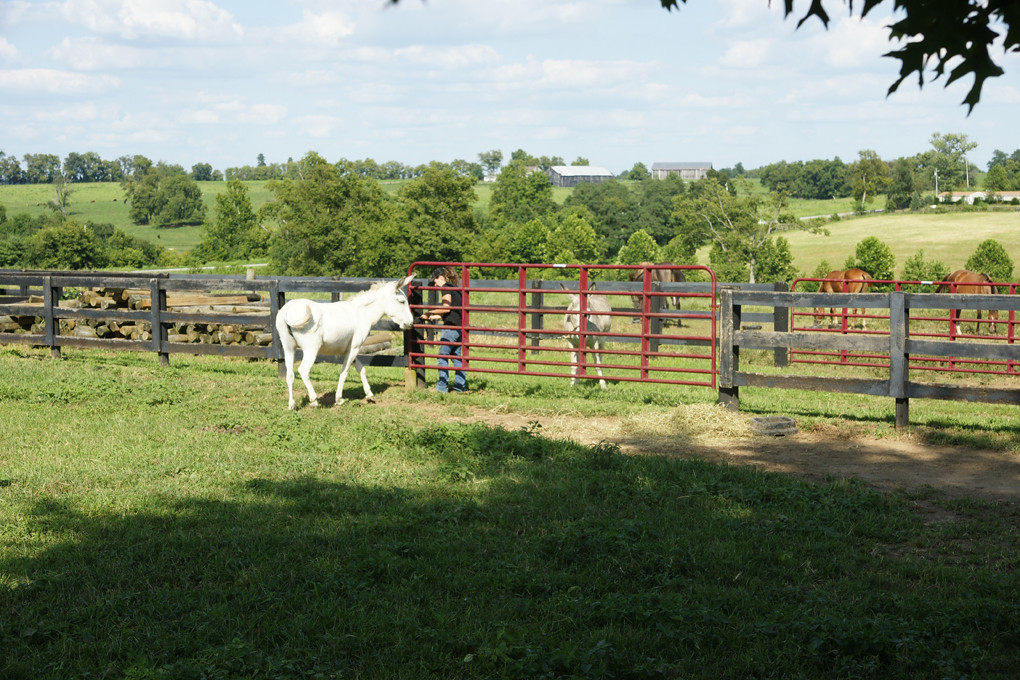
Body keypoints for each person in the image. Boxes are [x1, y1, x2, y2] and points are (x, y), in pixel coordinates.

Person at [420, 266, 467, 393]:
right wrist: (430, 316)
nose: (435, 283)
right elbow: (449, 311)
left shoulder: (446, 288)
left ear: (441, 277)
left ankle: (442, 387)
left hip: (450, 328)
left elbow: (446, 308)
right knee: (456, 357)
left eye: (435, 280)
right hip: (459, 327)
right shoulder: (456, 289)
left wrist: (431, 311)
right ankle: (459, 386)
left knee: (442, 356)